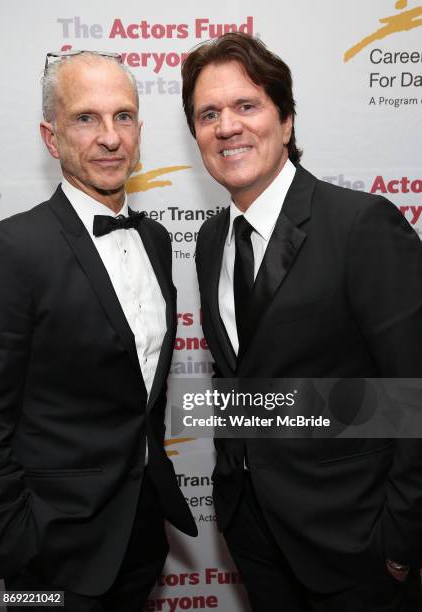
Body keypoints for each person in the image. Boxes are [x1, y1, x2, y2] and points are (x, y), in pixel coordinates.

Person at [181, 33, 422, 611]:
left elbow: (413, 390)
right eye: (208, 113)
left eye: (247, 106)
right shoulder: (212, 239)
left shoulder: (362, 226)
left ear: (286, 121)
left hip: (355, 543)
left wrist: (400, 542)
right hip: (254, 535)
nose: (227, 126)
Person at [0, 50, 196, 612]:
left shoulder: (156, 241)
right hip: (50, 553)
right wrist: (18, 545)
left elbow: (139, 398)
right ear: (50, 136)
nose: (110, 137)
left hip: (141, 538)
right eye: (86, 118)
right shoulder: (12, 250)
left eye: (123, 116)